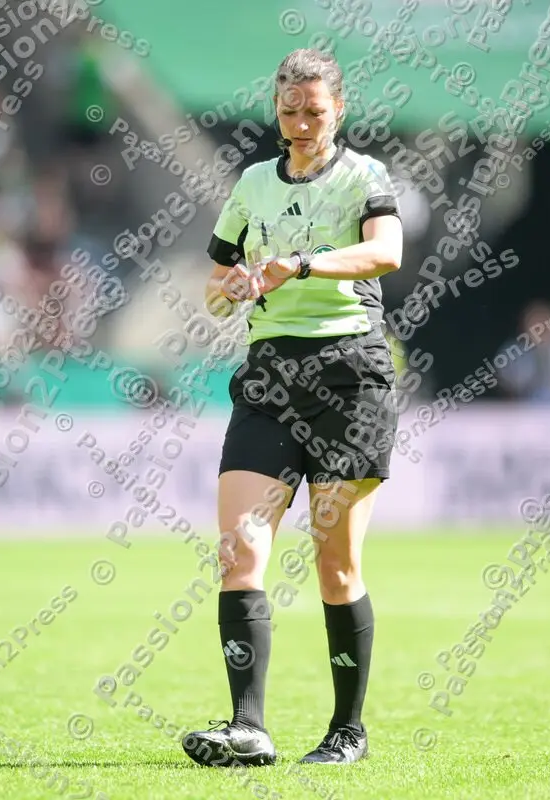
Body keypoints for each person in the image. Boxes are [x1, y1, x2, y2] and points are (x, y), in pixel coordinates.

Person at [181, 48, 403, 768]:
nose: (302, 123)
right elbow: (216, 286)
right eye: (289, 111)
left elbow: (386, 253)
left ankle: (347, 732)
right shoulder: (252, 183)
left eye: (315, 111)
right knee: (239, 552)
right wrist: (232, 288)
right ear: (275, 110)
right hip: (269, 380)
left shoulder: (365, 176)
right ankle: (248, 727)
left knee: (335, 566)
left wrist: (301, 265)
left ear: (340, 109)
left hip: (350, 379)